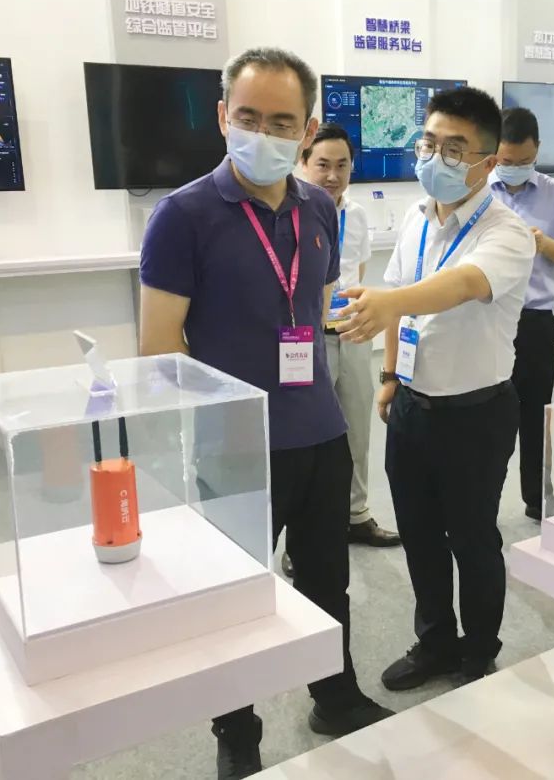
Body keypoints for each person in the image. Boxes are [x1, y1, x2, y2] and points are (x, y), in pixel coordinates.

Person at [138, 46, 392, 780]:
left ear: (306, 130)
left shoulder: (320, 208)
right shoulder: (182, 216)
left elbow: (312, 312)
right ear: (223, 117)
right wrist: (220, 424)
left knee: (327, 580)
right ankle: (237, 730)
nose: (264, 133)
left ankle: (333, 695)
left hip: (321, 433)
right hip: (236, 447)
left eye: (283, 122)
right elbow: (159, 347)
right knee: (234, 596)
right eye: (248, 117)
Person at [335, 87, 534, 689]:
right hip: (413, 407)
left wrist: (389, 301)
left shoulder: (507, 232)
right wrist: (390, 377)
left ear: (488, 162)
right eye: (429, 143)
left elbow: (463, 285)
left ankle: (478, 652)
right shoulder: (418, 219)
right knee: (419, 535)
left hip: (476, 414)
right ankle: (435, 643)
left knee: (472, 538)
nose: (435, 158)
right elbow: (400, 308)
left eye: (454, 149)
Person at [295, 122, 401, 574]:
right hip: (303, 339)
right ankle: (299, 536)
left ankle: (356, 515)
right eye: (323, 164)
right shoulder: (290, 212)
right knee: (304, 438)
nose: (332, 175)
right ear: (304, 163)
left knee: (357, 427)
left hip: (352, 331)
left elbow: (357, 269)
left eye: (342, 166)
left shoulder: (356, 215)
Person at [489, 107, 554, 521]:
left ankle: (538, 498)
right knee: (487, 418)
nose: (514, 168)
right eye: (506, 161)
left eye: (523, 161)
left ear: (537, 151)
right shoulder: (478, 191)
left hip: (535, 323)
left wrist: (544, 244)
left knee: (536, 415)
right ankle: (481, 502)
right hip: (487, 319)